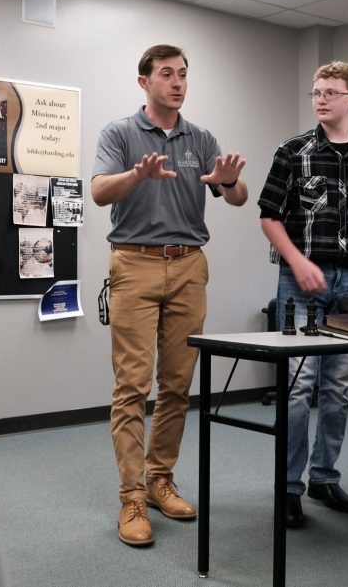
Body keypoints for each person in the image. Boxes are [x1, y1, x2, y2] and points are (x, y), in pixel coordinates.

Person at [91, 44, 248, 547]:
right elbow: (97, 191)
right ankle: (132, 495)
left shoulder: (199, 137)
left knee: (178, 384)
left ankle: (160, 479)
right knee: (132, 386)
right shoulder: (119, 133)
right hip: (134, 263)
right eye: (166, 74)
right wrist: (136, 175)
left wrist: (228, 183)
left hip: (187, 265)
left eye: (183, 74)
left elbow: (238, 195)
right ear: (144, 82)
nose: (178, 82)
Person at [257, 60, 348, 528]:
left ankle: (323, 477)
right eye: (315, 92)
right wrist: (298, 262)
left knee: (337, 388)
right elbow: (268, 217)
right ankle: (290, 487)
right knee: (298, 387)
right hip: (301, 283)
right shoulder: (292, 152)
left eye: (330, 92)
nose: (320, 99)